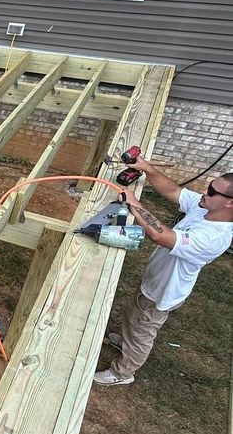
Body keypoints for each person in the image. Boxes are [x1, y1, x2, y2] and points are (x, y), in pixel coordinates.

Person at [93, 160, 233, 386]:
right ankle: (127, 341)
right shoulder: (205, 207)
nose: (204, 192)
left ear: (229, 204)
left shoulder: (214, 237)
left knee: (143, 329)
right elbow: (174, 191)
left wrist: (135, 205)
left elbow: (161, 236)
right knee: (135, 313)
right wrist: (146, 168)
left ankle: (122, 373)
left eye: (212, 191)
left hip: (163, 292)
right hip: (156, 281)